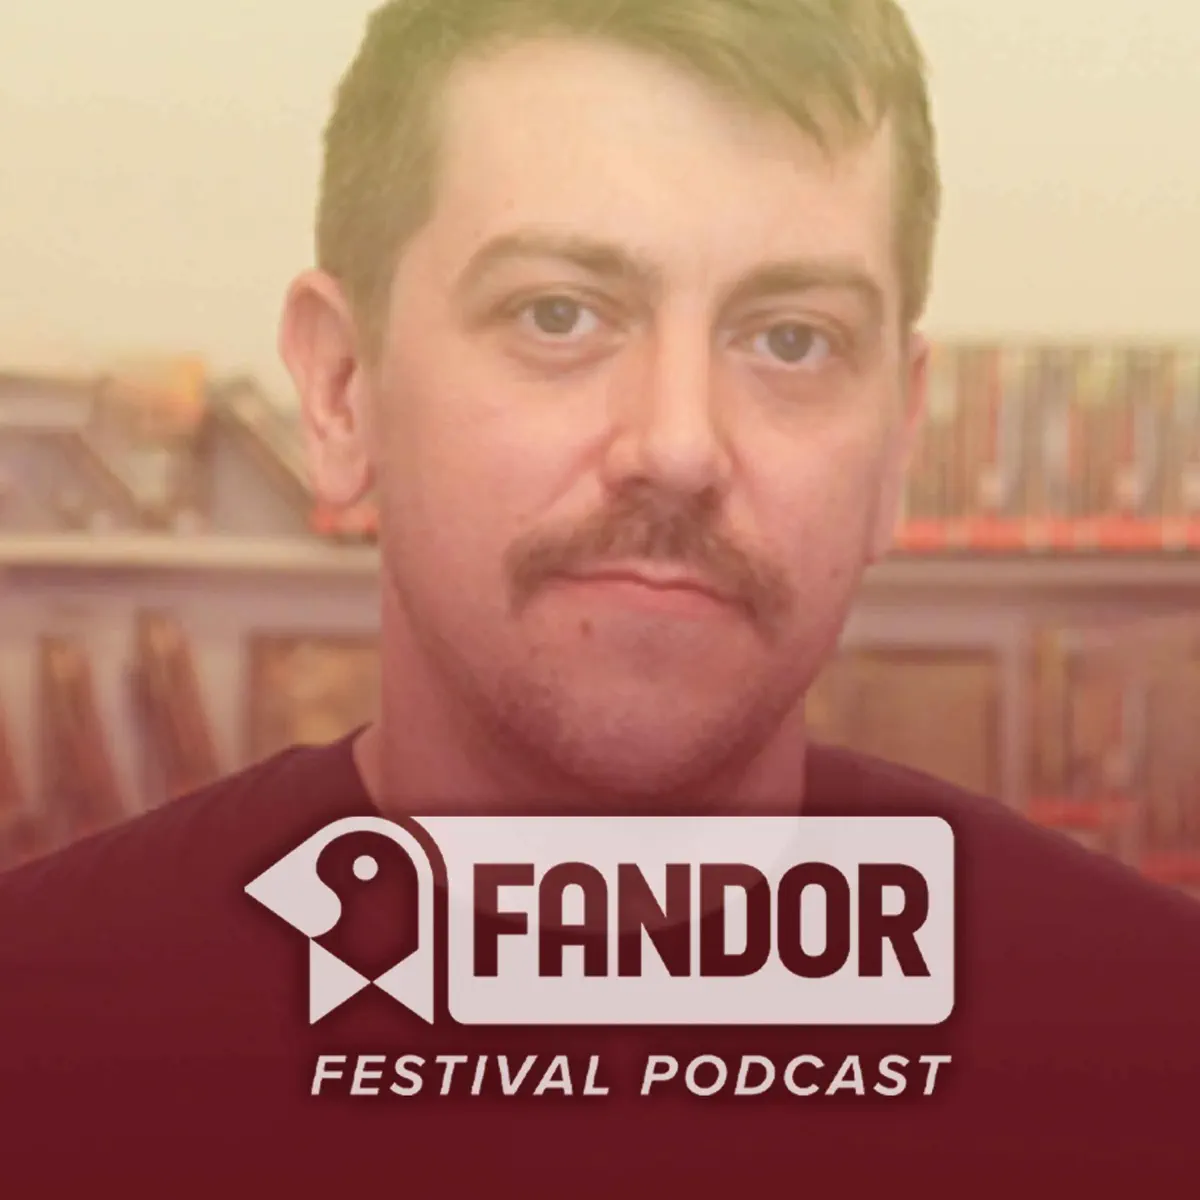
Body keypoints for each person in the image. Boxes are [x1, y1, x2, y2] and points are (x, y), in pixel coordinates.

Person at [2, 1, 1198, 1193]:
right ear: (343, 389)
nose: (677, 447)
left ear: (897, 442)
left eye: (792, 340)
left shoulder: (1158, 1054)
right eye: (558, 314)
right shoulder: (39, 1043)